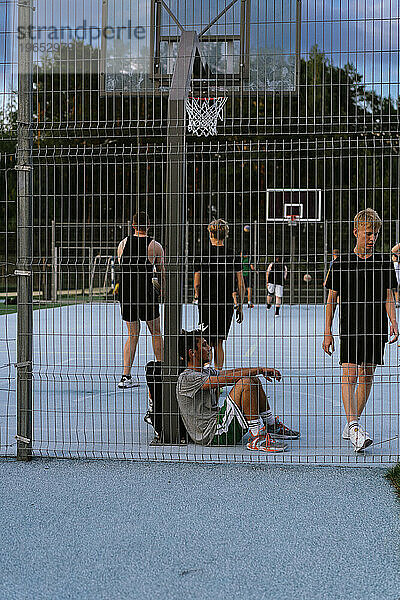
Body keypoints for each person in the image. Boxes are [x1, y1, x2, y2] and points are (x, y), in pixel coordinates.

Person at [323, 208, 398, 452]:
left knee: (367, 376)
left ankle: (351, 423)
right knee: (350, 376)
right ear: (356, 232)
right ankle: (355, 427)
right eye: (368, 233)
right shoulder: (341, 262)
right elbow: (331, 300)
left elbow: (389, 295)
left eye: (375, 234)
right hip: (351, 328)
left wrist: (394, 320)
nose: (372, 238)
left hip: (376, 328)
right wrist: (327, 331)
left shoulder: (383, 261)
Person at [176, 330, 300, 451]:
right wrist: (261, 370)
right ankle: (257, 436)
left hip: (219, 423)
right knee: (245, 383)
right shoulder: (187, 378)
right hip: (212, 433)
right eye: (204, 345)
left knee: (252, 379)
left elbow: (231, 372)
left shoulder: (206, 371)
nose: (209, 348)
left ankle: (271, 425)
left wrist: (259, 370)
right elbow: (228, 378)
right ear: (192, 353)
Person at [117, 212, 165, 388]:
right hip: (146, 293)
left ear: (134, 225)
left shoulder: (123, 243)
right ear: (149, 225)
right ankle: (161, 371)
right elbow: (161, 271)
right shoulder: (155, 246)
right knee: (156, 332)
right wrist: (163, 289)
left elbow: (123, 265)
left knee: (132, 335)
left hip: (127, 293)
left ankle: (125, 376)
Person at [194, 219, 244, 369]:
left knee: (207, 341)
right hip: (225, 302)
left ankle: (208, 374)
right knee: (219, 342)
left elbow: (197, 282)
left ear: (210, 233)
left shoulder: (203, 254)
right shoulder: (232, 255)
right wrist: (239, 305)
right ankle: (219, 377)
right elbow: (241, 283)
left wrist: (197, 296)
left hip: (206, 302)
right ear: (225, 234)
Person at [390, 243, 400, 308]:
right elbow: (393, 250)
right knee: (397, 286)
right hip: (397, 268)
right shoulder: (395, 263)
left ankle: (397, 301)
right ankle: (397, 301)